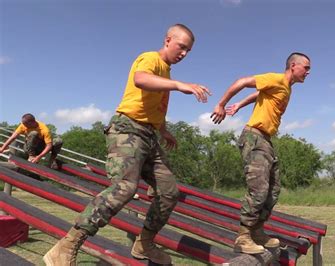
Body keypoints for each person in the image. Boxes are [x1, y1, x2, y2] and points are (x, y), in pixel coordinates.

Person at [43, 24, 211, 266]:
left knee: (169, 192)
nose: (184, 54)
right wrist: (179, 85)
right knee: (125, 187)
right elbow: (140, 79)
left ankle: (145, 244)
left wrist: (164, 131)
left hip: (150, 136)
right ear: (167, 40)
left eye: (188, 51)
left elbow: (153, 108)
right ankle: (67, 245)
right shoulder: (150, 58)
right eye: (181, 47)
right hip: (128, 129)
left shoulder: (166, 73)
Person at [211, 52, 311, 254]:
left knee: (273, 189)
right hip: (254, 137)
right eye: (306, 67)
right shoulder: (276, 78)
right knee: (259, 188)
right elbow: (242, 82)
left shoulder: (286, 88)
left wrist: (239, 104)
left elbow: (258, 94)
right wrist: (221, 104)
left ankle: (257, 231)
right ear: (293, 65)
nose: (309, 72)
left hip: (265, 140)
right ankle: (243, 236)